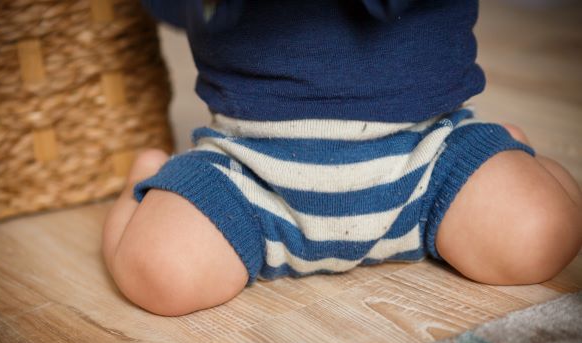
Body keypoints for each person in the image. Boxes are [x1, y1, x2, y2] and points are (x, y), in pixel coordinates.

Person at [102, 0, 582, 316]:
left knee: (541, 232)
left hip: (429, 152)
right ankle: (144, 183)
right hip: (250, 168)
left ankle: (505, 154)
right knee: (158, 274)